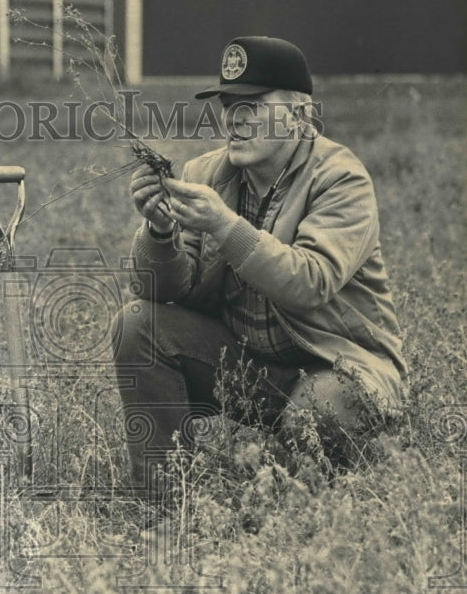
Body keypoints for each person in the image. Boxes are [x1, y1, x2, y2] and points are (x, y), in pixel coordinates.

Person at [113, 36, 407, 494]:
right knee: (138, 325)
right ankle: (165, 501)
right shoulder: (205, 173)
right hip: (254, 368)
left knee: (322, 412)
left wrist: (224, 225)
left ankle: (320, 491)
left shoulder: (340, 178)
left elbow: (310, 281)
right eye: (229, 105)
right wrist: (158, 231)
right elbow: (163, 290)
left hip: (337, 366)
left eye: (252, 104)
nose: (235, 119)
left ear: (299, 115)